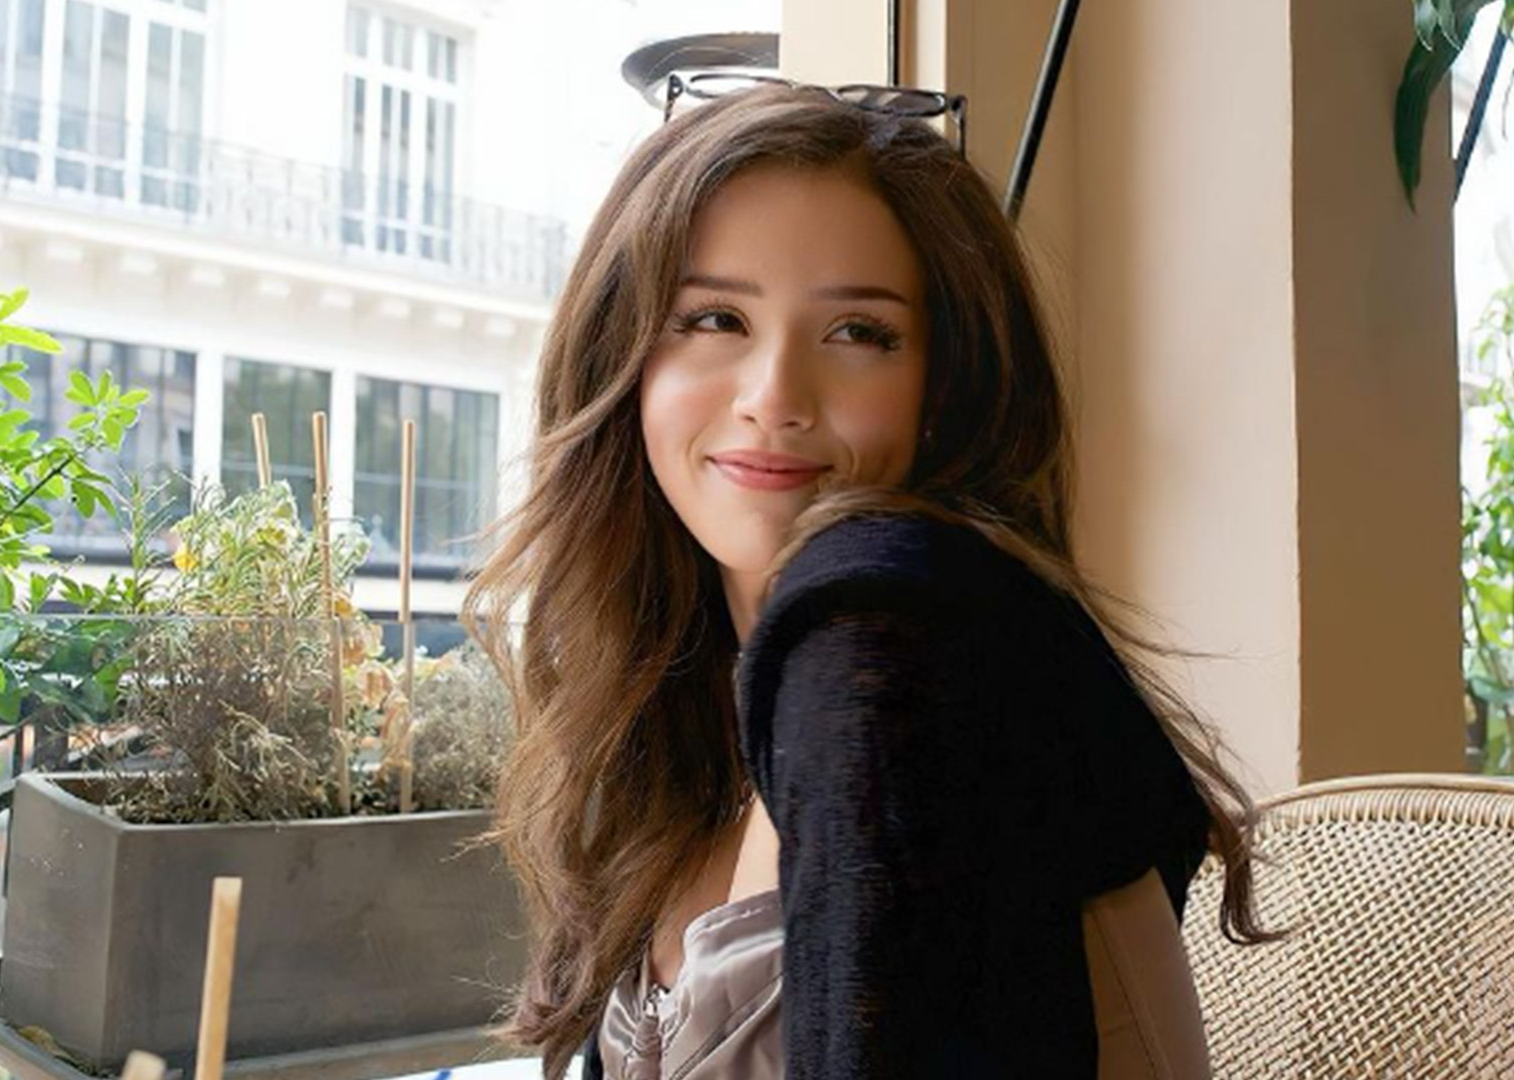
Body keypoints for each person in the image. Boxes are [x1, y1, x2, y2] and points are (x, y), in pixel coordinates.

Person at [465, 81, 1274, 1080]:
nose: (775, 399)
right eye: (715, 318)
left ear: (948, 389)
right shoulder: (685, 721)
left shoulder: (882, 641)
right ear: (623, 361)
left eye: (859, 334)